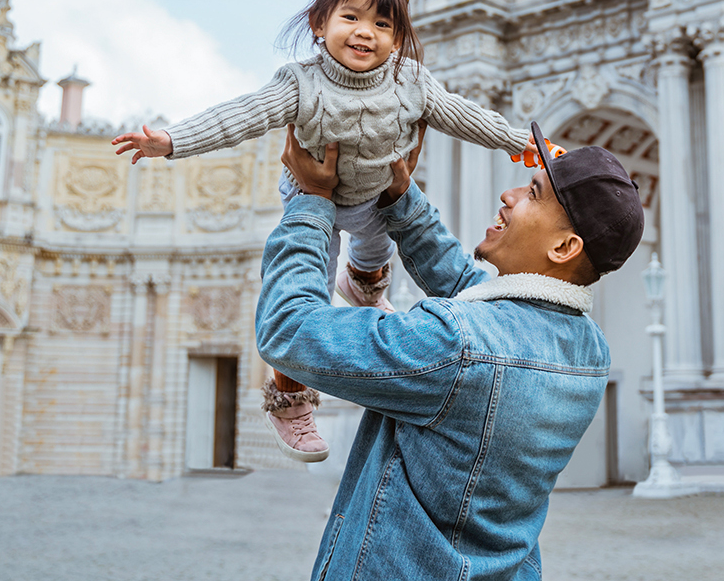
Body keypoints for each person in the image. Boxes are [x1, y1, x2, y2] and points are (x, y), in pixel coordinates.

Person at [111, 0, 552, 461]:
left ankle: (364, 286)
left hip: (375, 197)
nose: (366, 32)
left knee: (379, 241)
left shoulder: (412, 82)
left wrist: (526, 146)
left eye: (382, 24)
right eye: (351, 17)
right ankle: (291, 401)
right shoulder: (300, 83)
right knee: (308, 303)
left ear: (399, 38)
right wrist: (171, 141)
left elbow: (468, 118)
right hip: (311, 199)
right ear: (320, 25)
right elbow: (240, 115)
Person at [263, 119, 645, 581]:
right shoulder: (588, 350)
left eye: (534, 194)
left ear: (564, 247)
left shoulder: (457, 345)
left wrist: (309, 202)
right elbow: (475, 293)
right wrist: (401, 200)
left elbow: (287, 329)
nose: (509, 195)